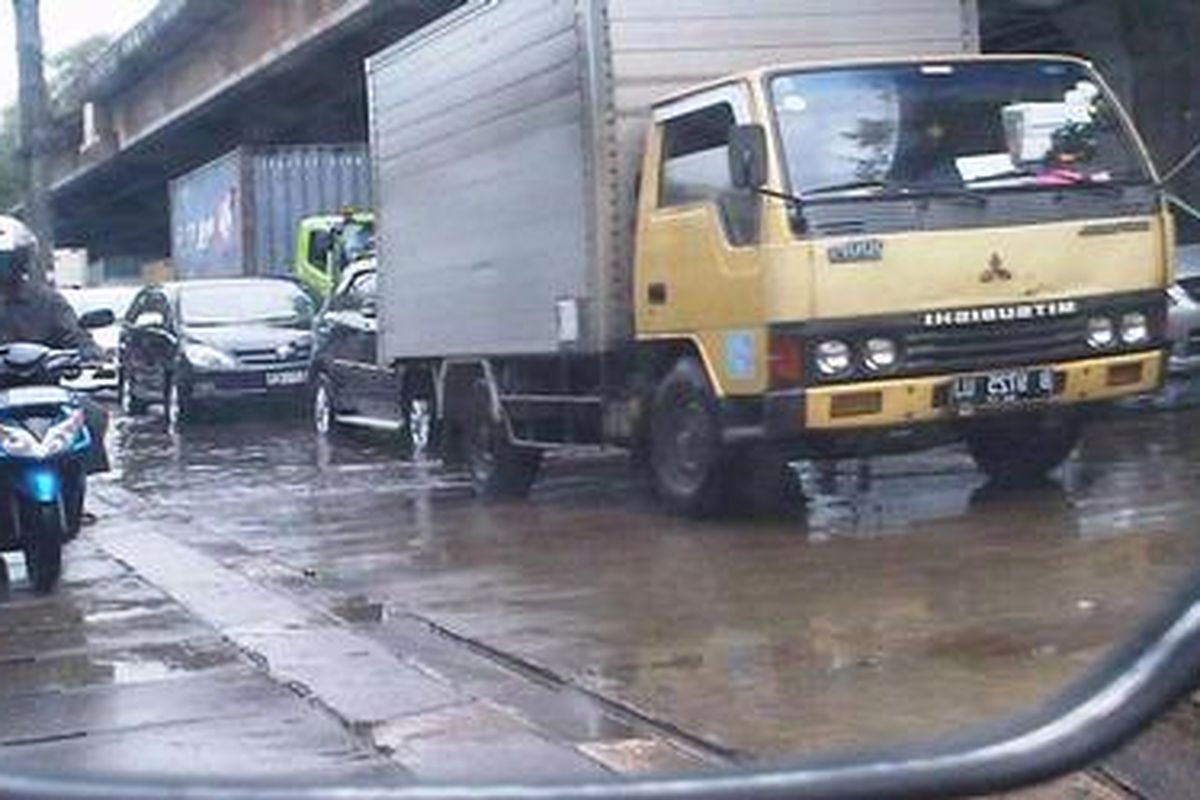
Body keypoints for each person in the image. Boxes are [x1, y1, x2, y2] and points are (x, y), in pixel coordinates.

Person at [0, 215, 110, 482]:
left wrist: (91, 354)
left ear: (22, 261)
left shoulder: (47, 301)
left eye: (6, 261)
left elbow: (73, 335)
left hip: (46, 392)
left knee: (93, 415)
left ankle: (78, 488)